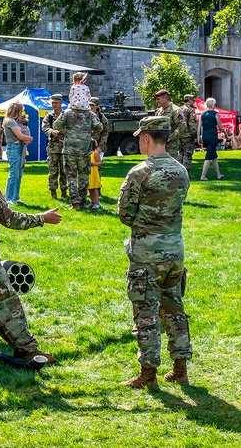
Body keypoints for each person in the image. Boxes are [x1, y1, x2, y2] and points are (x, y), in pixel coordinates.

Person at [0, 135, 61, 363]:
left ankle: (20, 346)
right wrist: (42, 218)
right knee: (7, 302)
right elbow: (10, 219)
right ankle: (29, 351)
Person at [117, 115, 191, 388]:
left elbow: (125, 214)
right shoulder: (181, 170)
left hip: (147, 254)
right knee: (174, 309)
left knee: (146, 313)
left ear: (147, 137)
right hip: (174, 251)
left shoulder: (140, 173)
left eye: (140, 137)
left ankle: (148, 375)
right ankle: (180, 369)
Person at [54, 93, 102, 210]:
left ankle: (75, 203)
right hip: (84, 150)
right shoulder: (89, 114)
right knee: (84, 176)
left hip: (70, 149)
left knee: (71, 176)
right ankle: (83, 202)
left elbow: (56, 125)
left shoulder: (67, 113)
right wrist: (88, 133)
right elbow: (99, 127)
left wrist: (66, 131)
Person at [1, 102, 32, 204]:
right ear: (17, 111)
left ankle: (16, 197)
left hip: (19, 147)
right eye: (21, 111)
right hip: (14, 148)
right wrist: (30, 138)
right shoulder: (11, 122)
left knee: (19, 174)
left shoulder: (15, 122)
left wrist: (24, 139)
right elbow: (21, 136)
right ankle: (8, 198)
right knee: (14, 174)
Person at [41, 93, 67, 199]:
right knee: (53, 171)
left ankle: (64, 191)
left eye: (56, 102)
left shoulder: (66, 116)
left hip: (65, 147)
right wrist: (51, 131)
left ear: (61, 102)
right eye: (52, 103)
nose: (54, 105)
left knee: (64, 171)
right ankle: (53, 192)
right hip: (53, 148)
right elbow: (44, 127)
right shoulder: (49, 116)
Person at [198, 98, 228, 181]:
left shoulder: (202, 114)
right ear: (213, 104)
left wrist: (198, 137)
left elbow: (199, 126)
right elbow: (220, 127)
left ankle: (218, 174)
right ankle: (203, 176)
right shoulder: (215, 114)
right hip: (213, 136)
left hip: (205, 136)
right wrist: (226, 134)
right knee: (208, 157)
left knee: (213, 156)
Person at [153, 89, 186, 164]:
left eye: (158, 99)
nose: (156, 101)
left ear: (165, 98)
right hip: (159, 145)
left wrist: (170, 138)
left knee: (171, 168)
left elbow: (182, 127)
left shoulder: (175, 110)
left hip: (171, 146)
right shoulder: (159, 111)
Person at [180, 94, 198, 170]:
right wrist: (195, 136)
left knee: (180, 153)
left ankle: (179, 171)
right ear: (189, 100)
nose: (193, 102)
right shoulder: (190, 110)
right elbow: (192, 124)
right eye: (193, 100)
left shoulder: (179, 109)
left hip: (180, 135)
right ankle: (186, 172)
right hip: (188, 136)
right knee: (188, 154)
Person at [88, 140, 102, 209]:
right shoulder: (87, 153)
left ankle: (97, 202)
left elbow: (100, 162)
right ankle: (93, 201)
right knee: (89, 187)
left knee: (94, 187)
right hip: (88, 173)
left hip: (93, 172)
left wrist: (93, 164)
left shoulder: (95, 153)